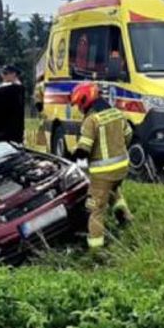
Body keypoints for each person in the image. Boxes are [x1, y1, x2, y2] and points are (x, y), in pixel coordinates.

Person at [70, 81, 132, 250]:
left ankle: (96, 249)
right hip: (122, 168)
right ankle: (125, 219)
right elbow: (128, 135)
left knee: (95, 210)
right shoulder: (117, 113)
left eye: (79, 105)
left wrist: (71, 156)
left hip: (103, 173)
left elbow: (83, 149)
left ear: (85, 100)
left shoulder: (92, 120)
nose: (79, 109)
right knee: (114, 190)